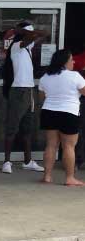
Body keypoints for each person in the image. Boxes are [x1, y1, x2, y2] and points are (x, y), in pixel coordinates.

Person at [1, 22, 47, 174]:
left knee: (27, 128)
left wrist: (23, 30)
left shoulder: (28, 47)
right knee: (12, 126)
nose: (33, 36)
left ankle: (27, 160)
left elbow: (43, 33)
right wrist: (21, 32)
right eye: (30, 33)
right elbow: (32, 36)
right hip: (18, 90)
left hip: (29, 90)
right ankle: (7, 161)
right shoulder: (16, 46)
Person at [38, 49, 85, 186]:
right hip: (68, 113)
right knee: (69, 146)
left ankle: (47, 176)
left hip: (49, 112)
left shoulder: (45, 77)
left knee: (51, 145)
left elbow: (42, 97)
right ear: (64, 62)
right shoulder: (75, 76)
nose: (74, 62)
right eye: (71, 60)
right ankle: (70, 178)